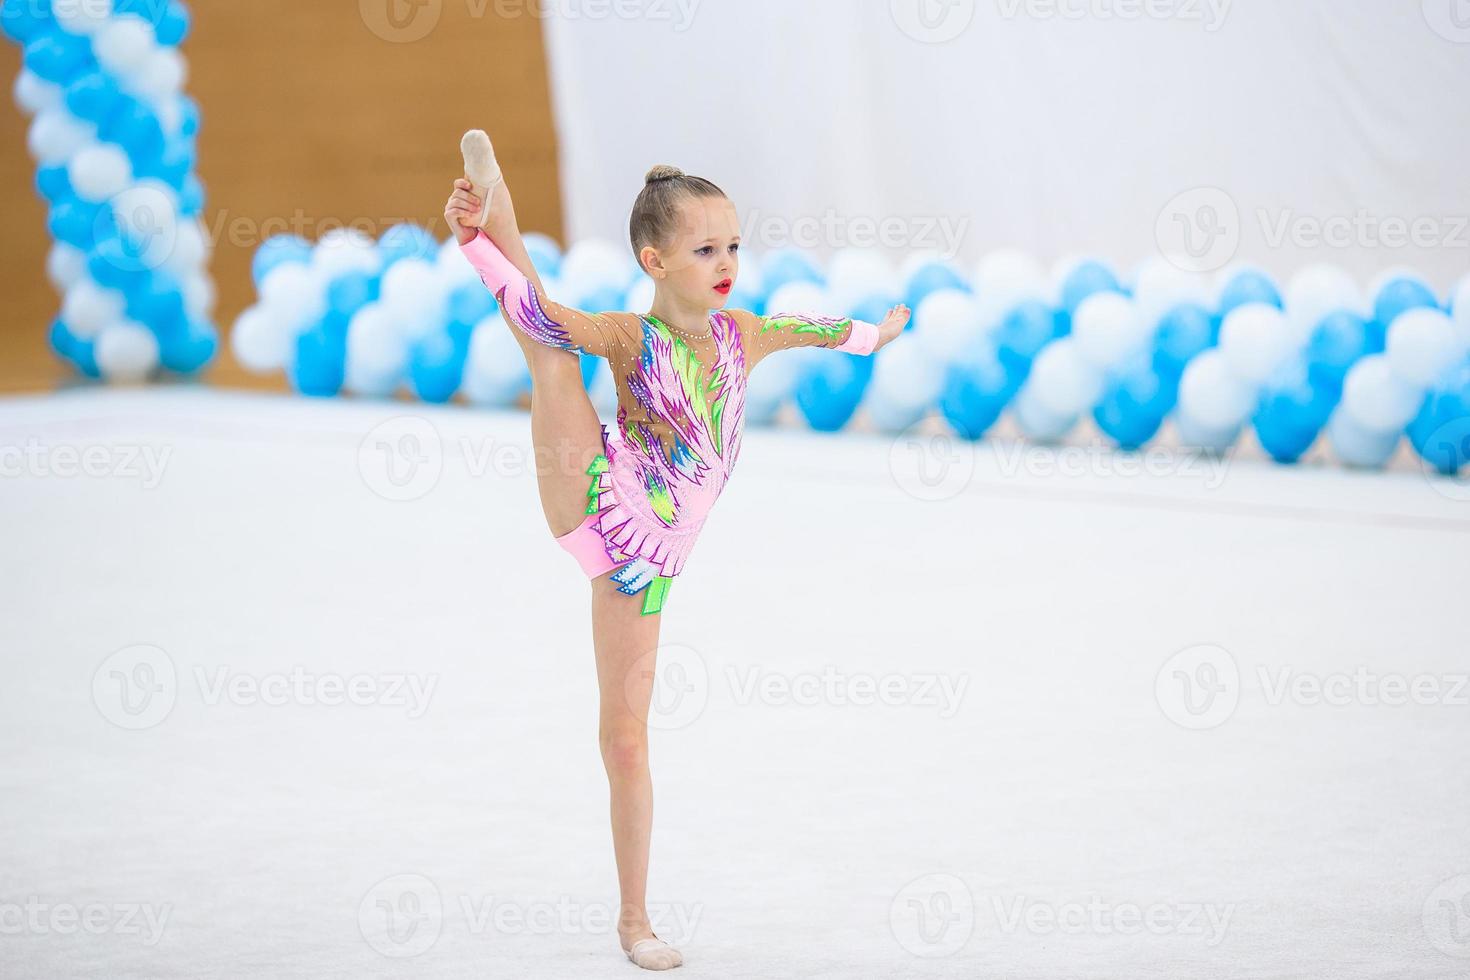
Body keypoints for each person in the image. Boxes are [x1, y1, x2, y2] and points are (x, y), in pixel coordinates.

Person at [443, 129, 908, 970]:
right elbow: (548, 317)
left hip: (650, 568)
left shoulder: (743, 333)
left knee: (626, 740)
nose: (726, 260)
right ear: (655, 261)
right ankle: (492, 202)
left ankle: (633, 920)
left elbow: (817, 329)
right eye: (704, 248)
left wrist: (878, 334)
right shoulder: (628, 335)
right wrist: (478, 246)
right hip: (597, 502)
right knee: (550, 358)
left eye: (732, 244)